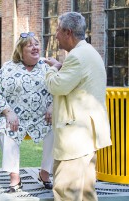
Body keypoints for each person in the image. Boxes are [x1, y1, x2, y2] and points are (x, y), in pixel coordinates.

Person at [44, 12, 111, 201]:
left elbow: (56, 86)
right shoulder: (88, 52)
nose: (55, 35)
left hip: (74, 138)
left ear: (68, 32)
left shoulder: (77, 57)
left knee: (66, 192)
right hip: (88, 136)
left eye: (57, 30)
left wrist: (52, 68)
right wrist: (60, 65)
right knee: (86, 194)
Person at [0, 32, 54, 193]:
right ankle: (15, 178)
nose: (35, 47)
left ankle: (45, 173)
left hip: (41, 117)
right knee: (5, 127)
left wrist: (53, 106)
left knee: (57, 127)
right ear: (21, 50)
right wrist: (8, 112)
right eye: (30, 45)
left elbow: (59, 88)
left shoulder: (47, 67)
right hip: (15, 117)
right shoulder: (8, 68)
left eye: (37, 44)